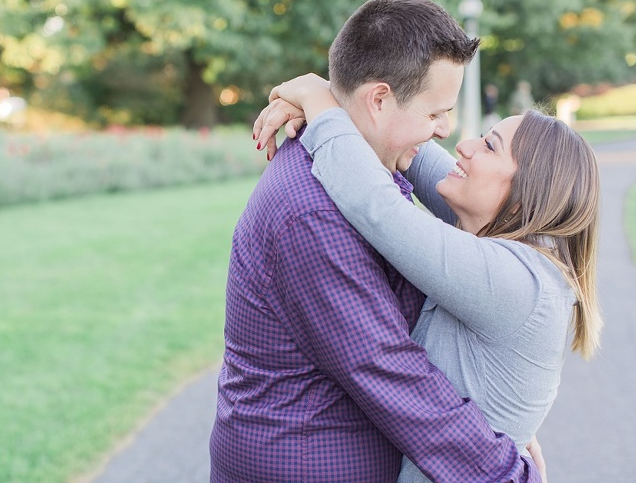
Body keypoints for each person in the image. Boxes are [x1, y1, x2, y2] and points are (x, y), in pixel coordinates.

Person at [210, 0, 544, 482]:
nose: (444, 130)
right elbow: (389, 372)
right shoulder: (312, 211)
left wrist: (321, 98)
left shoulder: (361, 169)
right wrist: (505, 472)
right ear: (380, 99)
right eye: (435, 114)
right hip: (304, 465)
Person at [253, 74, 602, 482]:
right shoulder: (505, 234)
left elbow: (375, 205)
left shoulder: (516, 280)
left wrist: (314, 95)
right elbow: (400, 139)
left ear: (524, 195)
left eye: (489, 146)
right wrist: (340, 96)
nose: (464, 146)